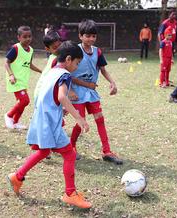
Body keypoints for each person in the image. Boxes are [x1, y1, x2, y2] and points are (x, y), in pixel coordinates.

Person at [7, 41, 92, 209]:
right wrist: (79, 118)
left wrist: (59, 110)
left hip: (41, 118)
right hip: (50, 123)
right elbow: (61, 97)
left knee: (44, 151)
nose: (76, 67)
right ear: (68, 59)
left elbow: (48, 96)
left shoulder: (52, 72)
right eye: (77, 63)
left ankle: (17, 177)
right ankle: (70, 193)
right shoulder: (65, 75)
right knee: (69, 154)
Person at [69, 19, 123, 164]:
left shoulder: (97, 51)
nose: (91, 39)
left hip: (91, 91)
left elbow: (103, 69)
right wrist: (71, 90)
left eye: (93, 36)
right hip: (77, 91)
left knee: (100, 118)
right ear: (80, 36)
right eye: (88, 36)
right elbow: (66, 72)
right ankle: (71, 147)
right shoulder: (75, 50)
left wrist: (112, 83)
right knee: (81, 121)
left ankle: (107, 151)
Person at [4, 26, 42, 130]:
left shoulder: (31, 50)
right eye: (25, 37)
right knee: (25, 101)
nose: (28, 39)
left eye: (29, 36)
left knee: (23, 102)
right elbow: (6, 62)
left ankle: (16, 123)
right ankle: (9, 116)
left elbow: (29, 64)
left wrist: (41, 71)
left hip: (23, 81)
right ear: (19, 37)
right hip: (15, 80)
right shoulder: (16, 48)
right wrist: (11, 75)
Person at [34, 30, 61, 99]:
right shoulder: (56, 60)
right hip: (42, 93)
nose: (59, 49)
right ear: (47, 49)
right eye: (55, 48)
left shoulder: (53, 56)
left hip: (43, 92)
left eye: (60, 45)